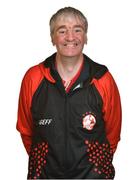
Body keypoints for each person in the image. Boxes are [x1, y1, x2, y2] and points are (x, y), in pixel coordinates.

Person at [16, 7, 122, 179]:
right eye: (62, 30)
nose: (71, 37)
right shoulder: (33, 78)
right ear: (52, 38)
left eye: (77, 30)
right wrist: (44, 163)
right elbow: (26, 129)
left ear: (86, 37)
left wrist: (95, 167)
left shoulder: (103, 79)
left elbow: (112, 134)